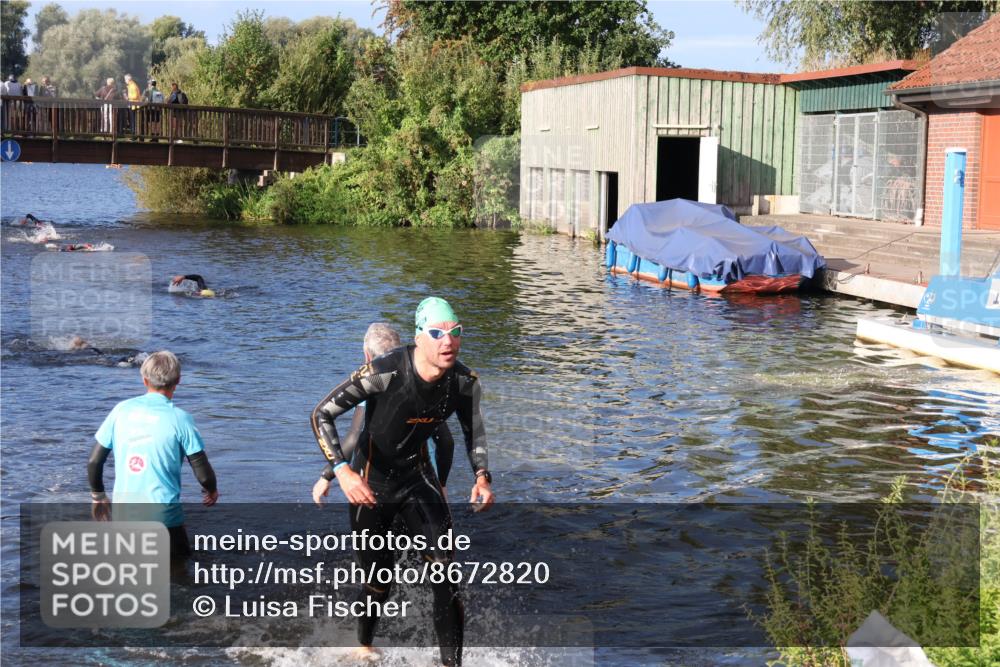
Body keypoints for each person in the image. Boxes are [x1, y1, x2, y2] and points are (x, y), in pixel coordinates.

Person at [310, 297, 493, 667]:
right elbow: (321, 415)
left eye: (455, 332)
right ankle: (364, 644)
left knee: (445, 572)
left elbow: (472, 431)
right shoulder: (385, 372)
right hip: (370, 485)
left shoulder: (463, 381)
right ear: (418, 337)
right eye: (437, 333)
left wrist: (481, 476)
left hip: (417, 479)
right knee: (379, 582)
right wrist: (341, 472)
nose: (448, 341)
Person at [88, 351, 219, 562]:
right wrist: (211, 490)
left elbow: (94, 461)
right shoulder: (181, 419)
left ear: (144, 380)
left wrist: (98, 496)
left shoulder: (121, 410)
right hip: (164, 519)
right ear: (178, 381)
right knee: (179, 572)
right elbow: (203, 473)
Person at [311, 323, 455, 506]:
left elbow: (354, 438)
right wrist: (442, 485)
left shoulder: (371, 386)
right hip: (425, 478)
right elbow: (446, 441)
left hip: (382, 479)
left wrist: (327, 476)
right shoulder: (422, 384)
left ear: (367, 356)